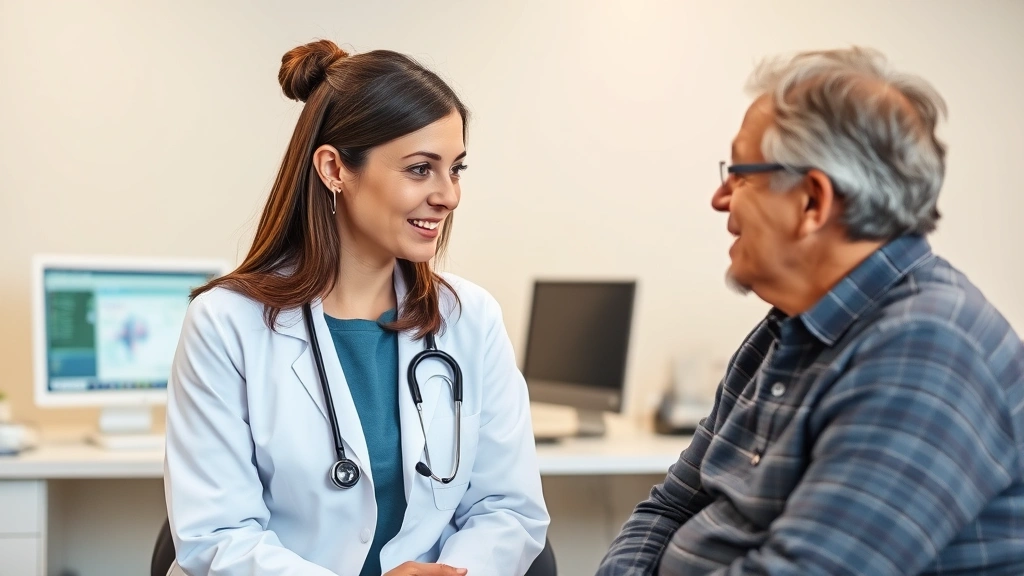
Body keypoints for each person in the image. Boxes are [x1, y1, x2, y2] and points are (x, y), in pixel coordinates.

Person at [598, 47, 1024, 575]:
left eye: (741, 176)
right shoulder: (782, 331)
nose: (719, 198)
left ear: (812, 202)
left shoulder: (929, 349)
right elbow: (667, 509)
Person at [164, 39, 549, 576]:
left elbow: (507, 509)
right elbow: (217, 536)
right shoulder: (227, 323)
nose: (449, 195)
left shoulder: (471, 318)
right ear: (335, 169)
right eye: (420, 169)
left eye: (455, 169)